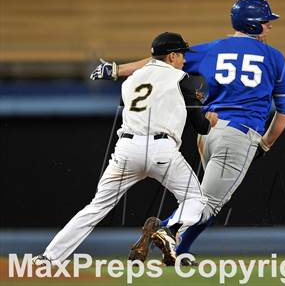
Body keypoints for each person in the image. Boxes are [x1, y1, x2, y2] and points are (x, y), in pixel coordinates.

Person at [90, 0, 285, 265]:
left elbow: (158, 64)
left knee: (205, 201)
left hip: (209, 132)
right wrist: (265, 145)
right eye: (266, 22)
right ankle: (164, 228)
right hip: (240, 133)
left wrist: (116, 70)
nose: (270, 26)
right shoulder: (275, 58)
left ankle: (181, 249)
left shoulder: (213, 49)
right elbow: (284, 111)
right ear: (254, 25)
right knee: (207, 203)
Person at [32, 32, 218, 266]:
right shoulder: (182, 79)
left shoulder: (131, 80)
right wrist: (209, 118)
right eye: (181, 55)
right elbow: (200, 126)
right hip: (162, 149)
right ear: (172, 56)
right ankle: (170, 231)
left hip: (127, 149)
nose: (184, 60)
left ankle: (48, 258)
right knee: (196, 199)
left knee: (96, 208)